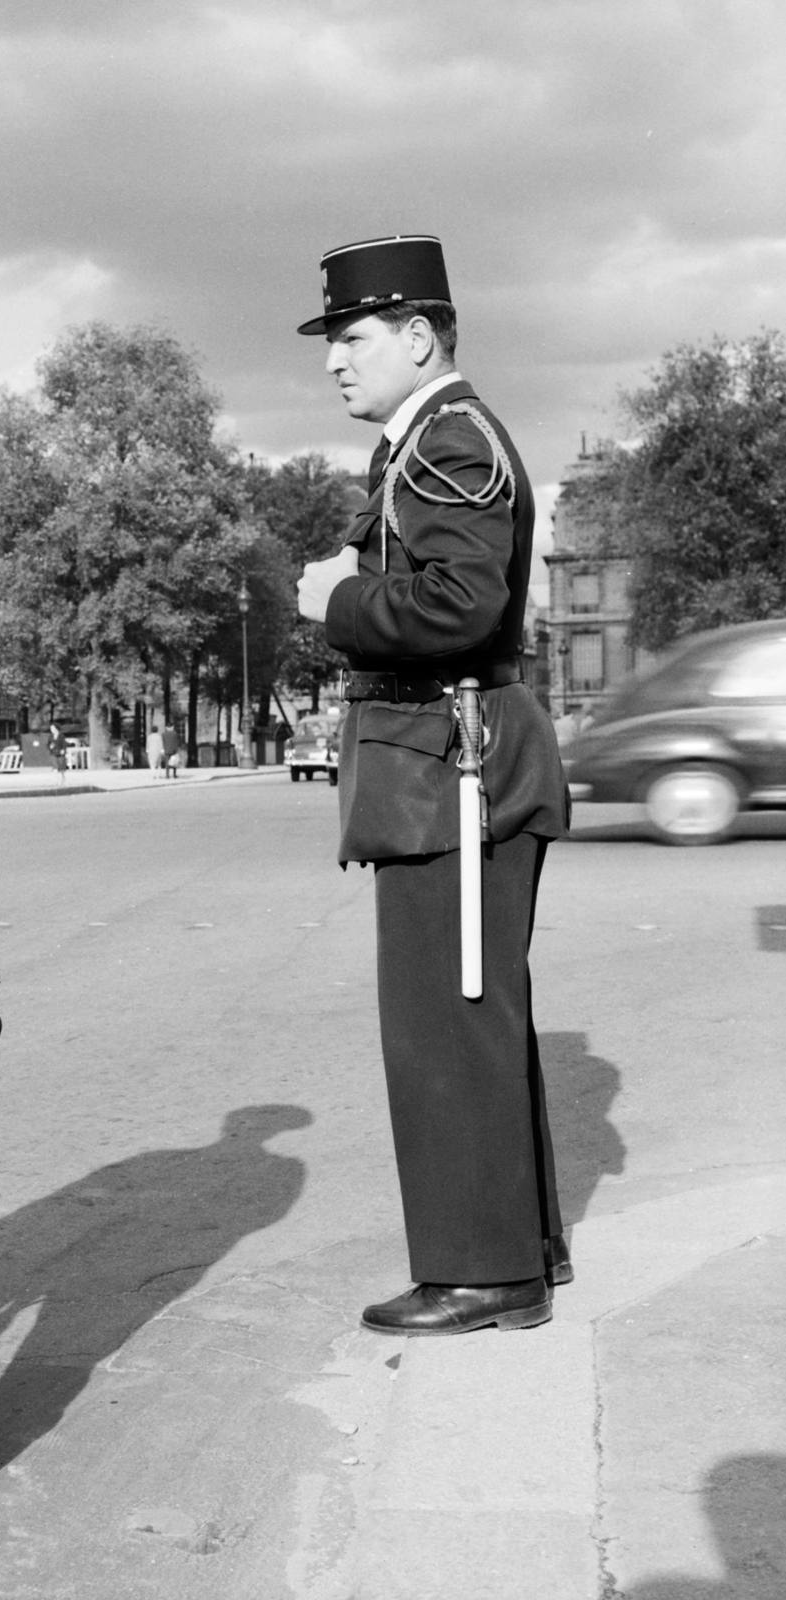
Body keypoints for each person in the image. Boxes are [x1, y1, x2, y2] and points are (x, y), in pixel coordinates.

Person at [294, 235, 571, 1336]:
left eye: (352, 337)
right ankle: (507, 1251)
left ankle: (482, 1272)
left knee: (448, 1019)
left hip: (458, 766)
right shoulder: (431, 440)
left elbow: (458, 604)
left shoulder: (448, 440)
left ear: (419, 336)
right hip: (448, 760)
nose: (335, 362)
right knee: (467, 1015)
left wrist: (335, 600)